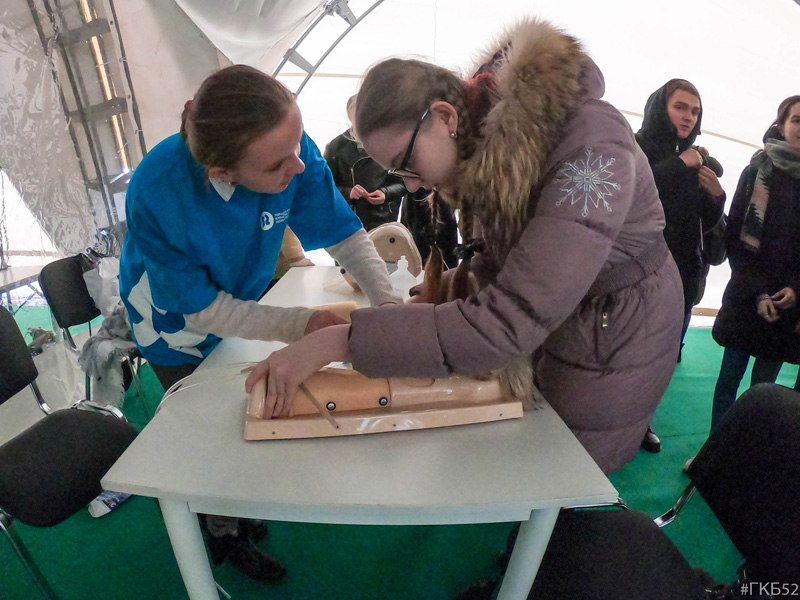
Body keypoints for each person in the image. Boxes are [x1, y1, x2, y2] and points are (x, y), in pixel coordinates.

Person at [246, 18, 684, 476]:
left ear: (444, 117)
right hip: (568, 319)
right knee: (535, 458)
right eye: (396, 174)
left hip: (613, 330)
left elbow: (510, 320)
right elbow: (524, 259)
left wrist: (342, 341)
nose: (410, 185)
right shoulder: (490, 145)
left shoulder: (591, 145)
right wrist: (452, 287)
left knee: (565, 467)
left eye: (406, 163)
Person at [118, 65, 400, 582]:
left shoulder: (286, 143)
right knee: (208, 432)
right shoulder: (158, 191)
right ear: (223, 173)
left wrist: (388, 309)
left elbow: (343, 233)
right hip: (173, 325)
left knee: (244, 410)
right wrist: (301, 326)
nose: (300, 163)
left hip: (234, 297)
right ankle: (222, 530)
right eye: (278, 164)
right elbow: (199, 309)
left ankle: (236, 506)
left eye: (298, 143)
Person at [635, 79, 726, 453]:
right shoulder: (636, 147)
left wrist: (716, 197)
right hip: (639, 273)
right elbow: (636, 191)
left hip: (684, 275)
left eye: (695, 111)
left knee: (665, 356)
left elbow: (704, 220)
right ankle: (614, 417)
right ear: (661, 107)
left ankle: (641, 420)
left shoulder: (697, 160)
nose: (689, 117)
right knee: (630, 349)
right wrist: (679, 164)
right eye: (681, 107)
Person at [708, 95, 800, 433]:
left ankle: (746, 453)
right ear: (781, 125)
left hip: (785, 307)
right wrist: (758, 292)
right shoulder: (756, 170)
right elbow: (735, 239)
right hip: (747, 296)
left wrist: (796, 290)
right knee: (729, 379)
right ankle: (713, 451)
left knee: (762, 392)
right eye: (797, 120)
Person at [324, 94, 407, 230]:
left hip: (383, 220)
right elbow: (325, 186)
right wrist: (349, 193)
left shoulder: (390, 143)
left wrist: (385, 193)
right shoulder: (336, 147)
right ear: (349, 115)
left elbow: (403, 182)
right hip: (348, 222)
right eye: (358, 112)